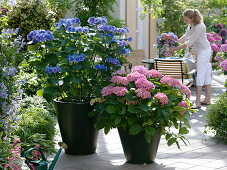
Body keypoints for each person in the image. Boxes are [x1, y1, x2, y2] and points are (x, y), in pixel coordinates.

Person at [169, 9, 212, 109]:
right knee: (205, 73)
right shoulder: (191, 25)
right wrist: (174, 42)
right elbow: (186, 36)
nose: (185, 21)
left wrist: (174, 49)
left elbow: (190, 42)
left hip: (204, 51)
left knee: (200, 74)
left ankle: (197, 102)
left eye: (186, 19)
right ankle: (207, 99)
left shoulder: (200, 26)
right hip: (199, 51)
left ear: (192, 18)